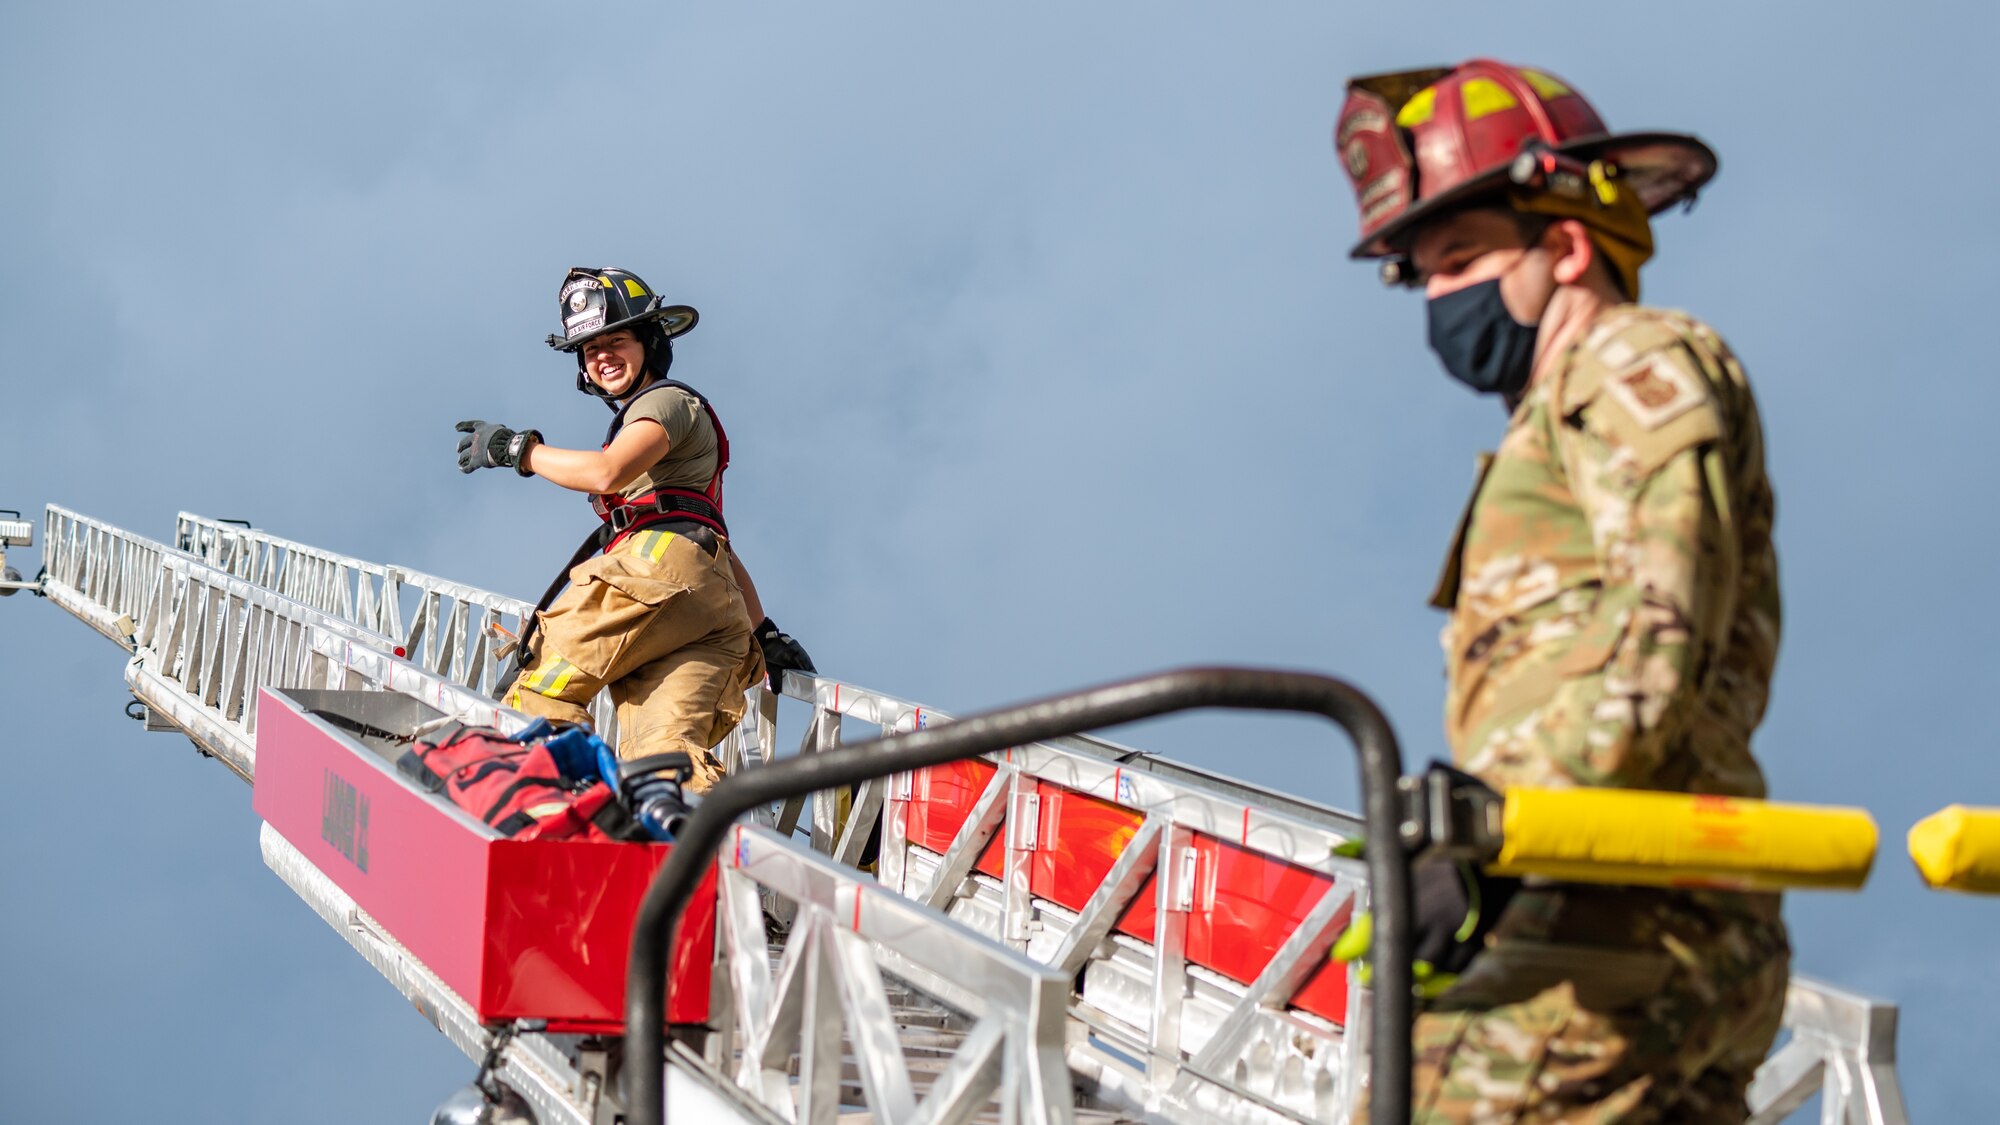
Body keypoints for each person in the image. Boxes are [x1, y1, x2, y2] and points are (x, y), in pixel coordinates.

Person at [1332, 61, 1790, 1121]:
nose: (1435, 295)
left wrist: (1491, 830)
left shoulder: (1629, 363)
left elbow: (1653, 626)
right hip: (1635, 913)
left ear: (1568, 245)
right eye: (1419, 273)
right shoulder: (1551, 421)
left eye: (1459, 257)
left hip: (1602, 920)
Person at [454, 267, 814, 801]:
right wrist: (761, 632)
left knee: (536, 693)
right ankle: (683, 862)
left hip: (652, 574)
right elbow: (712, 542)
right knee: (664, 760)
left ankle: (570, 819)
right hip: (709, 610)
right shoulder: (677, 472)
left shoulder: (664, 402)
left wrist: (518, 450)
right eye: (590, 349)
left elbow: (606, 473)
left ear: (649, 342)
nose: (602, 356)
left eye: (615, 341)